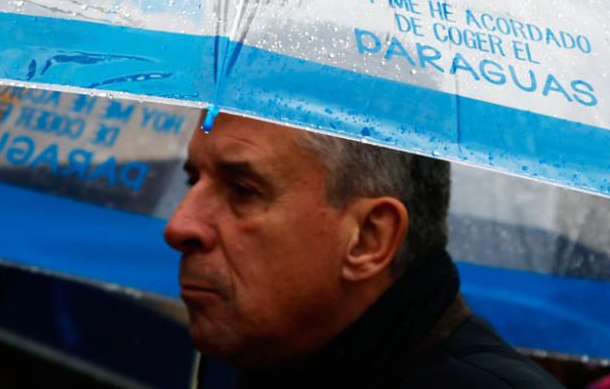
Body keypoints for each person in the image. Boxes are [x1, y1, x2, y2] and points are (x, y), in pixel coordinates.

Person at [164, 112, 564, 388]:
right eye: (193, 180)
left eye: (242, 190)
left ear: (369, 238)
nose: (179, 225)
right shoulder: (239, 360)